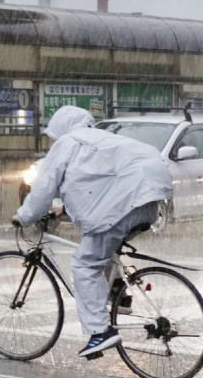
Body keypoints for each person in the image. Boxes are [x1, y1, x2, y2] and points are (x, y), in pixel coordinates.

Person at [13, 106, 171, 358]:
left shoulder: (67, 143)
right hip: (149, 199)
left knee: (85, 263)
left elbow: (43, 188)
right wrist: (62, 210)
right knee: (103, 249)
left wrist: (23, 217)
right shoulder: (103, 139)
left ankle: (100, 332)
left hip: (124, 202)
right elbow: (97, 181)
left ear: (62, 128)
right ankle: (120, 292)